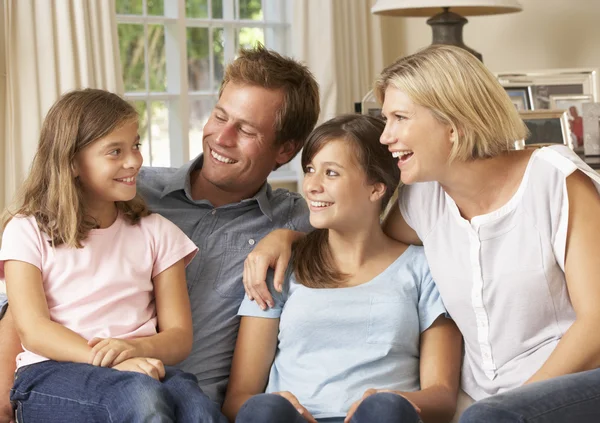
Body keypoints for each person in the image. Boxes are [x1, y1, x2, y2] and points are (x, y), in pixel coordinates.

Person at [243, 45, 600, 422]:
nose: (386, 137)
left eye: (400, 118)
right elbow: (364, 240)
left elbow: (596, 324)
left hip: (564, 390)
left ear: (453, 121)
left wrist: (512, 407)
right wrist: (290, 239)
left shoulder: (556, 180)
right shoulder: (423, 198)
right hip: (480, 406)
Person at [0, 46, 320, 421]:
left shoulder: (296, 218)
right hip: (84, 385)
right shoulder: (129, 191)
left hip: (185, 394)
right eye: (219, 116)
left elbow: (366, 241)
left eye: (246, 130)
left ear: (285, 150)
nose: (222, 137)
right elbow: (22, 312)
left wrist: (292, 238)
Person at [0, 89, 228, 422]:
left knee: (198, 408)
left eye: (135, 145)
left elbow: (179, 337)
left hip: (140, 364)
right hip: (50, 372)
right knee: (141, 397)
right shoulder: (26, 230)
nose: (134, 160)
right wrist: (113, 361)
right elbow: (34, 330)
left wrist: (135, 351)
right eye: (115, 151)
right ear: (73, 162)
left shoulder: (157, 232)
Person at [222, 114, 462, 423]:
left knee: (385, 410)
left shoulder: (424, 269)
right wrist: (275, 405)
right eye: (310, 170)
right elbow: (238, 399)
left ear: (376, 188)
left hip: (381, 420)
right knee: (264, 409)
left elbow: (442, 396)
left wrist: (390, 401)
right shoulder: (280, 266)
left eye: (331, 173)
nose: (311, 186)